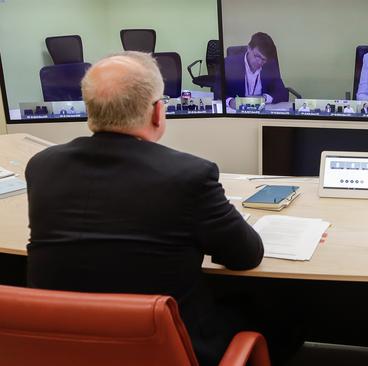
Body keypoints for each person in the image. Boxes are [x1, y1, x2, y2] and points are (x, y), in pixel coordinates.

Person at [24, 52, 265, 366]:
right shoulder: (189, 175)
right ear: (157, 112)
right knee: (274, 313)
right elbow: (246, 255)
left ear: (90, 111)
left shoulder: (42, 166)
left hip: (64, 350)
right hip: (172, 351)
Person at [224, 32, 288, 110]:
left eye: (264, 59)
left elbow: (283, 93)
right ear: (249, 48)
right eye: (257, 56)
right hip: (237, 111)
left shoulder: (270, 66)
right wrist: (230, 101)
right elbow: (218, 92)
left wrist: (264, 98)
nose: (259, 62)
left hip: (262, 111)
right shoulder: (229, 63)